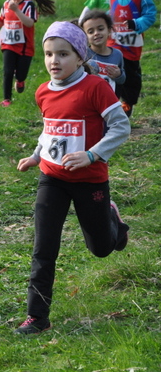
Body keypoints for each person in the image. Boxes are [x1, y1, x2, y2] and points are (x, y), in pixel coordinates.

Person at [15, 22, 130, 335]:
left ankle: (113, 221)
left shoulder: (95, 88)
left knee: (101, 248)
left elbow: (121, 127)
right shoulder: (43, 91)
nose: (54, 61)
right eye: (49, 54)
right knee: (44, 247)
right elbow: (50, 130)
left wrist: (92, 155)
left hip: (89, 180)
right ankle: (37, 317)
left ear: (80, 56)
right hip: (52, 179)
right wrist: (37, 155)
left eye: (63, 54)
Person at [81, 0, 157, 117]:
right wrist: (103, 23)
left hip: (131, 47)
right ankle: (107, 103)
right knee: (108, 69)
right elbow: (109, 13)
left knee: (130, 76)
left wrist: (136, 23)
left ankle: (127, 103)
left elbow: (150, 15)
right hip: (113, 42)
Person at [0, 0, 56, 107]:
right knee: (8, 72)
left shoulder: (28, 5)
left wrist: (16, 10)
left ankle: (20, 80)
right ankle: (7, 99)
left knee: (21, 74)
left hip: (25, 47)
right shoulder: (6, 4)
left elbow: (29, 23)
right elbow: (1, 20)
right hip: (8, 45)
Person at [81, 9, 126, 95]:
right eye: (91, 32)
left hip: (109, 99)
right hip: (89, 98)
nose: (96, 33)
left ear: (109, 30)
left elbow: (122, 80)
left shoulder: (117, 54)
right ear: (85, 36)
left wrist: (118, 75)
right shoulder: (83, 54)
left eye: (100, 29)